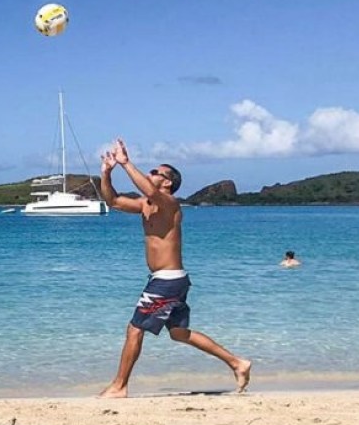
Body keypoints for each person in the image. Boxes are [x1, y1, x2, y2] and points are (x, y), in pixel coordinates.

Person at [97, 139, 251, 397]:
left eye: (156, 173)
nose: (150, 174)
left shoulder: (170, 203)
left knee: (135, 329)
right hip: (170, 279)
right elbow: (112, 201)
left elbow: (151, 191)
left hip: (166, 281)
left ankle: (120, 386)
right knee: (179, 334)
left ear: (167, 182)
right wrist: (106, 173)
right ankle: (237, 363)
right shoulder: (146, 205)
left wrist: (126, 163)